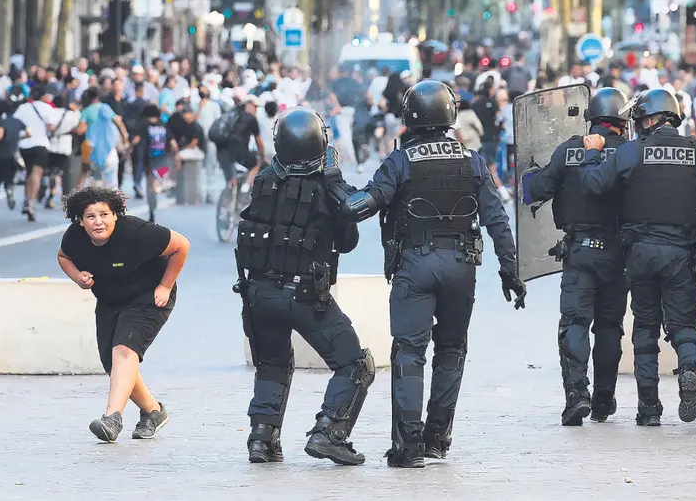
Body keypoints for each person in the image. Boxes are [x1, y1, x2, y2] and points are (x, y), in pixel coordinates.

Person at [324, 80, 526, 468]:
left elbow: (358, 207)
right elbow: (498, 220)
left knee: (409, 352)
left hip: (414, 267)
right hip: (462, 267)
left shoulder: (400, 161)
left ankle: (408, 446)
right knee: (452, 350)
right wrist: (510, 270)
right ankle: (436, 440)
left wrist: (332, 178)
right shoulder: (472, 161)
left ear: (410, 118)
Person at [234, 108, 374, 466]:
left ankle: (262, 439)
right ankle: (329, 433)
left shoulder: (264, 179)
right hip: (306, 295)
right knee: (355, 364)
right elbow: (348, 242)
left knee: (272, 364)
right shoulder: (328, 186)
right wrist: (334, 179)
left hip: (259, 294)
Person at [578, 88, 696, 426]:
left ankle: (649, 409)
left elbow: (593, 185)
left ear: (650, 120)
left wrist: (592, 153)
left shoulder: (631, 152)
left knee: (646, 329)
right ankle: (689, 368)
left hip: (640, 252)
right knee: (683, 325)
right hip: (682, 253)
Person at [520, 88, 631, 425]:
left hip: (579, 252)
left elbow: (534, 191)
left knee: (575, 323)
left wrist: (530, 171)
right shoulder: (630, 153)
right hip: (618, 255)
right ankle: (603, 399)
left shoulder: (568, 150)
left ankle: (576, 395)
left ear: (590, 119)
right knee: (609, 327)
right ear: (622, 123)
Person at [57, 186, 190, 442]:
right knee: (112, 362)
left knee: (124, 350)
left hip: (149, 296)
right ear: (81, 221)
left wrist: (165, 286)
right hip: (110, 299)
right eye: (91, 216)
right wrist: (77, 276)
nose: (98, 222)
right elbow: (63, 256)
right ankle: (153, 412)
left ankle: (112, 418)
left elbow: (182, 246)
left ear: (115, 215)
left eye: (104, 215)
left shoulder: (137, 232)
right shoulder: (74, 237)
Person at [13, 87, 57, 222]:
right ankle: (31, 203)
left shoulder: (22, 108)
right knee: (36, 174)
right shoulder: (47, 108)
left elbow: (15, 123)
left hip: (24, 145)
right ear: (43, 96)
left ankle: (27, 199)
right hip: (40, 144)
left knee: (29, 173)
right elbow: (51, 127)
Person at [131, 104, 179, 222]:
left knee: (150, 186)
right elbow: (173, 144)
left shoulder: (142, 125)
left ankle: (152, 210)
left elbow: (135, 140)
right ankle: (159, 187)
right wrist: (175, 156)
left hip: (148, 160)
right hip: (162, 160)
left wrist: (129, 148)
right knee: (157, 181)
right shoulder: (162, 125)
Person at [0, 100, 28, 217]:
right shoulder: (17, 121)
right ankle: (9, 187)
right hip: (13, 154)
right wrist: (18, 139)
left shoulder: (1, 121)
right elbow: (29, 133)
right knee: (10, 176)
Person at [215, 96, 266, 192]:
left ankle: (230, 188)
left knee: (230, 178)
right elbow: (259, 141)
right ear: (249, 104)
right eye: (255, 107)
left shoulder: (231, 113)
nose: (256, 110)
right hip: (239, 152)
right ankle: (245, 189)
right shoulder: (251, 118)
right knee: (256, 163)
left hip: (222, 151)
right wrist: (263, 156)